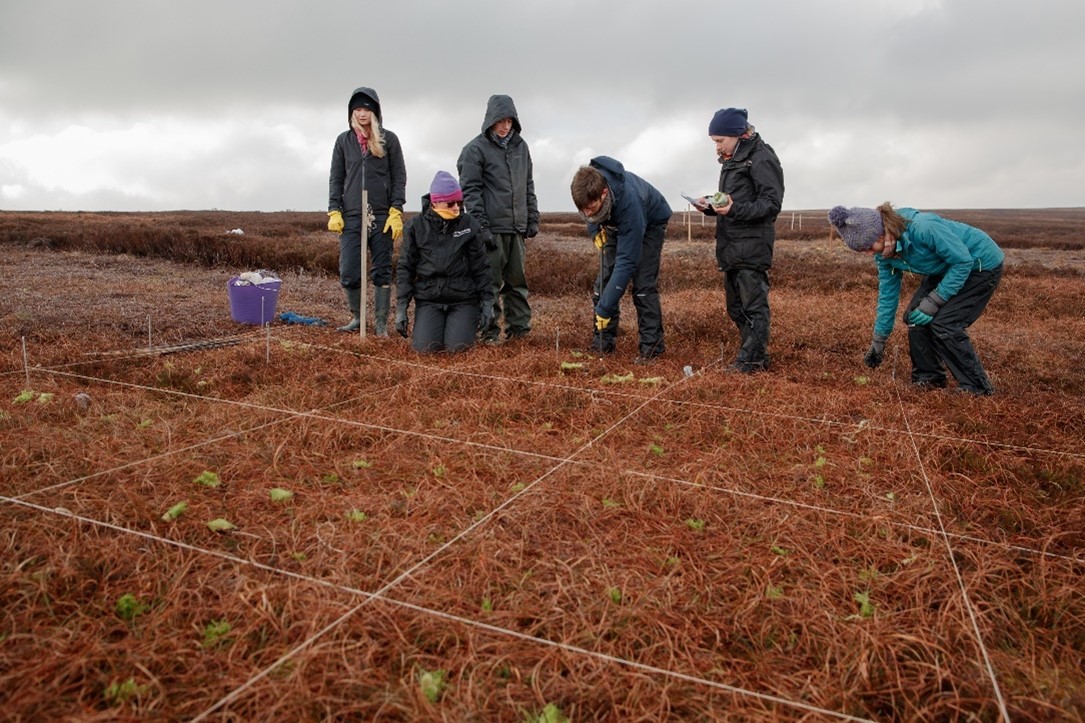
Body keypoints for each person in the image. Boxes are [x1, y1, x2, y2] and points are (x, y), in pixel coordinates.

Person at [828, 203, 1004, 395]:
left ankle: (976, 387)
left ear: (881, 233)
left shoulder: (924, 228)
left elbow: (962, 262)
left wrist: (935, 300)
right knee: (915, 317)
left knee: (944, 322)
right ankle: (929, 378)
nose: (870, 253)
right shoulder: (884, 255)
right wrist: (879, 340)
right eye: (863, 251)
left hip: (979, 265)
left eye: (868, 247)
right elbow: (888, 295)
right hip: (945, 268)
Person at [692, 108, 784, 373]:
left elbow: (771, 204)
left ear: (737, 135)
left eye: (720, 140)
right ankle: (755, 354)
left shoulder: (761, 158)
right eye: (714, 142)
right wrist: (710, 205)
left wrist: (733, 210)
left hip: (752, 245)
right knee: (735, 307)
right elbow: (731, 200)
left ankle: (751, 361)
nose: (717, 146)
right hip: (731, 245)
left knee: (753, 306)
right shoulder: (732, 159)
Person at [570, 157, 671, 362]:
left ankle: (651, 350)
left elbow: (627, 262)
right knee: (603, 284)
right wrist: (593, 229)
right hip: (615, 222)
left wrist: (605, 308)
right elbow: (589, 211)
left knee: (643, 285)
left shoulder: (629, 204)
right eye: (583, 210)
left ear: (604, 194)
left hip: (650, 222)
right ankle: (602, 345)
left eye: (592, 208)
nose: (587, 213)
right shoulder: (588, 187)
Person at [457, 94, 540, 345]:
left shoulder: (521, 146)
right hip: (490, 229)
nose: (505, 126)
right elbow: (470, 191)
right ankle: (488, 333)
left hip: (516, 228)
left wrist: (532, 217)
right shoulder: (474, 150)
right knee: (488, 284)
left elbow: (528, 184)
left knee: (517, 283)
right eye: (500, 121)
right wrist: (481, 227)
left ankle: (519, 332)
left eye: (509, 121)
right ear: (490, 120)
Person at [327, 86, 407, 336]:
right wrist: (334, 210)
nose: (362, 114)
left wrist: (396, 210)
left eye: (367, 109)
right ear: (352, 112)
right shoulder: (343, 141)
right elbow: (336, 178)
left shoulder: (389, 139)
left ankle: (381, 325)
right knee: (349, 271)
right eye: (358, 109)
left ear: (375, 112)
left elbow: (399, 176)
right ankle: (358, 318)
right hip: (351, 215)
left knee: (382, 271)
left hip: (382, 216)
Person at [394, 171, 494, 354]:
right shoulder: (415, 227)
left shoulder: (470, 225)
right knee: (425, 350)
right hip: (429, 300)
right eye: (450, 203)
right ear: (435, 202)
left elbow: (482, 267)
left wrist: (487, 303)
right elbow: (405, 268)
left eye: (459, 202)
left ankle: (466, 324)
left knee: (457, 350)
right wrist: (402, 307)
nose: (456, 207)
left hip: (464, 300)